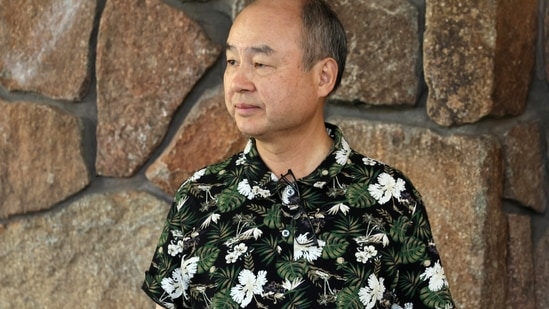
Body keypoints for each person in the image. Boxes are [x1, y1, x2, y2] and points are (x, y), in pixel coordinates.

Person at [142, 0, 455, 308]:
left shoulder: (390, 197)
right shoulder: (198, 197)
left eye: (260, 64)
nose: (238, 82)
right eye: (232, 62)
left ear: (323, 77)